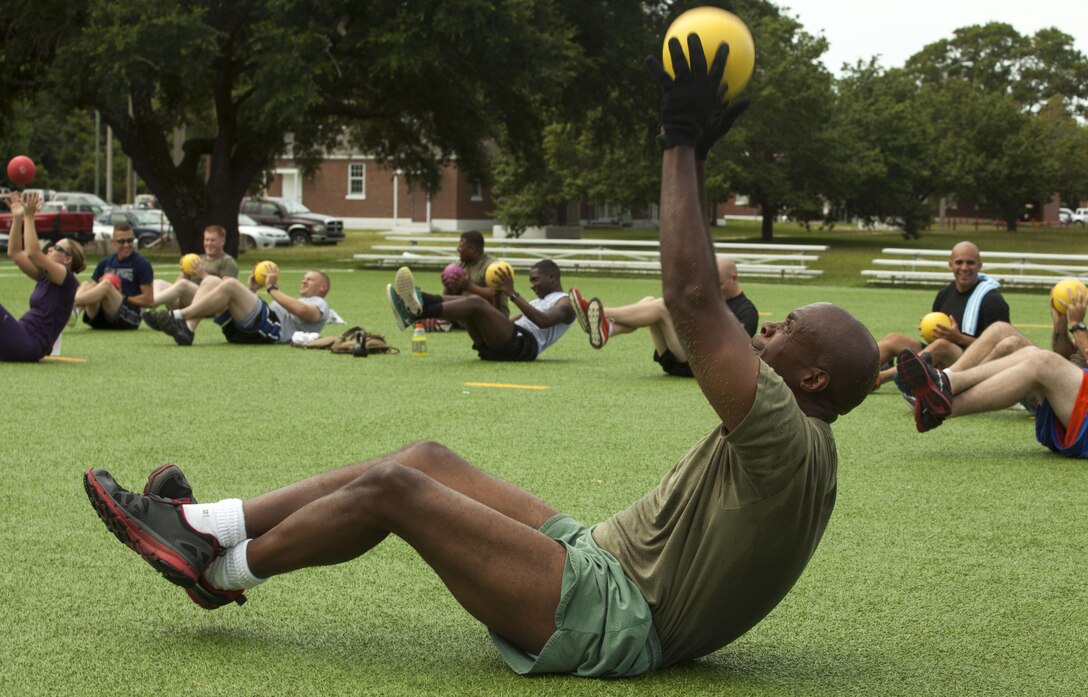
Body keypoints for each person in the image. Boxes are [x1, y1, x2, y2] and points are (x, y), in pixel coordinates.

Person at [82, 36, 878, 678]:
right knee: (426, 455)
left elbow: (693, 297)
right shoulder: (809, 438)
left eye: (787, 329)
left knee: (397, 489)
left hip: (615, 614)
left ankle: (216, 572)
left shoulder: (782, 428)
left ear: (813, 377)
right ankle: (202, 523)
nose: (766, 328)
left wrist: (676, 137)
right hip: (597, 553)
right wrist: (696, 153)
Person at [898, 284, 1088, 458]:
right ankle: (946, 381)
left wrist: (1078, 325)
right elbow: (1069, 362)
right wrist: (1061, 327)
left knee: (1042, 361)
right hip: (1074, 398)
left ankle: (940, 406)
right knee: (1002, 331)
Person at [567, 256, 758, 376]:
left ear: (734, 278)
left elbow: (734, 353)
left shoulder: (746, 311)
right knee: (650, 301)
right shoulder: (709, 298)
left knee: (662, 306)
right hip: (675, 358)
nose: (714, 289)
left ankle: (603, 314)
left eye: (719, 283)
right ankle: (608, 328)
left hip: (700, 367)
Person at [874, 241, 1010, 387]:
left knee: (942, 345)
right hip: (941, 357)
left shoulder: (992, 300)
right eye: (959, 262)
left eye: (970, 262)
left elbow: (1003, 349)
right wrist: (930, 332)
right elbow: (934, 341)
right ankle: (858, 371)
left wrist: (959, 338)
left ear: (979, 266)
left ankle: (878, 379)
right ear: (951, 265)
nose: (964, 268)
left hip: (975, 365)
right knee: (893, 339)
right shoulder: (945, 294)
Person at [387, 260, 573, 362]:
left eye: (535, 280)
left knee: (475, 302)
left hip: (523, 347)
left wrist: (512, 293)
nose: (532, 286)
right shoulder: (537, 301)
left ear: (551, 277)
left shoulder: (565, 302)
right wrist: (498, 295)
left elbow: (543, 321)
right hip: (501, 345)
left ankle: (415, 313)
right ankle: (418, 300)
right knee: (468, 303)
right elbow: (505, 321)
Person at [142, 265, 330, 346]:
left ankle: (177, 316)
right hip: (253, 327)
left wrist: (271, 288)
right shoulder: (296, 300)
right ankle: (188, 328)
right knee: (212, 281)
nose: (304, 282)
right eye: (304, 279)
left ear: (323, 287)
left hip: (272, 332)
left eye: (310, 280)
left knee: (230, 284)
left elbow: (304, 312)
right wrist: (252, 291)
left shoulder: (319, 303)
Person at [1, 192, 86, 362]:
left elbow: (33, 253)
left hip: (30, 344)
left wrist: (29, 216)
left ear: (67, 259)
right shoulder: (45, 277)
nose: (50, 249)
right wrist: (18, 218)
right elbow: (15, 252)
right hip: (21, 335)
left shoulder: (66, 277)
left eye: (56, 247)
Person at [74, 221, 155, 330]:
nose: (126, 245)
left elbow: (149, 300)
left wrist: (122, 296)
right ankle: (74, 311)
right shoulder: (105, 262)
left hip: (128, 317)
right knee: (85, 285)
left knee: (106, 285)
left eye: (130, 240)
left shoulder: (141, 263)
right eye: (121, 241)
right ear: (113, 242)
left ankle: (70, 303)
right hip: (101, 318)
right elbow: (92, 288)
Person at [147, 225, 240, 318]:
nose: (209, 243)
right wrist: (184, 273)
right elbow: (176, 286)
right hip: (185, 302)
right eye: (206, 240)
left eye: (213, 240)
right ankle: (150, 307)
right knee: (158, 283)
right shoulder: (198, 258)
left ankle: (148, 303)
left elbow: (227, 292)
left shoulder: (227, 261)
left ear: (222, 241)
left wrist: (203, 275)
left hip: (207, 303)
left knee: (183, 285)